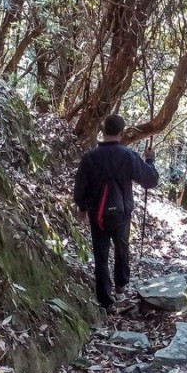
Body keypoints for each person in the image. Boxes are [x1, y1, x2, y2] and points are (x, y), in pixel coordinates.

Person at [73, 114, 159, 311]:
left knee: (101, 256)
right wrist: (150, 160)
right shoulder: (128, 156)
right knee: (122, 249)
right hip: (122, 214)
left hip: (97, 214)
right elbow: (150, 181)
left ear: (103, 132)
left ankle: (105, 301)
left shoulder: (90, 157)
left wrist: (82, 208)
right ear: (121, 133)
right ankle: (120, 288)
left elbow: (80, 187)